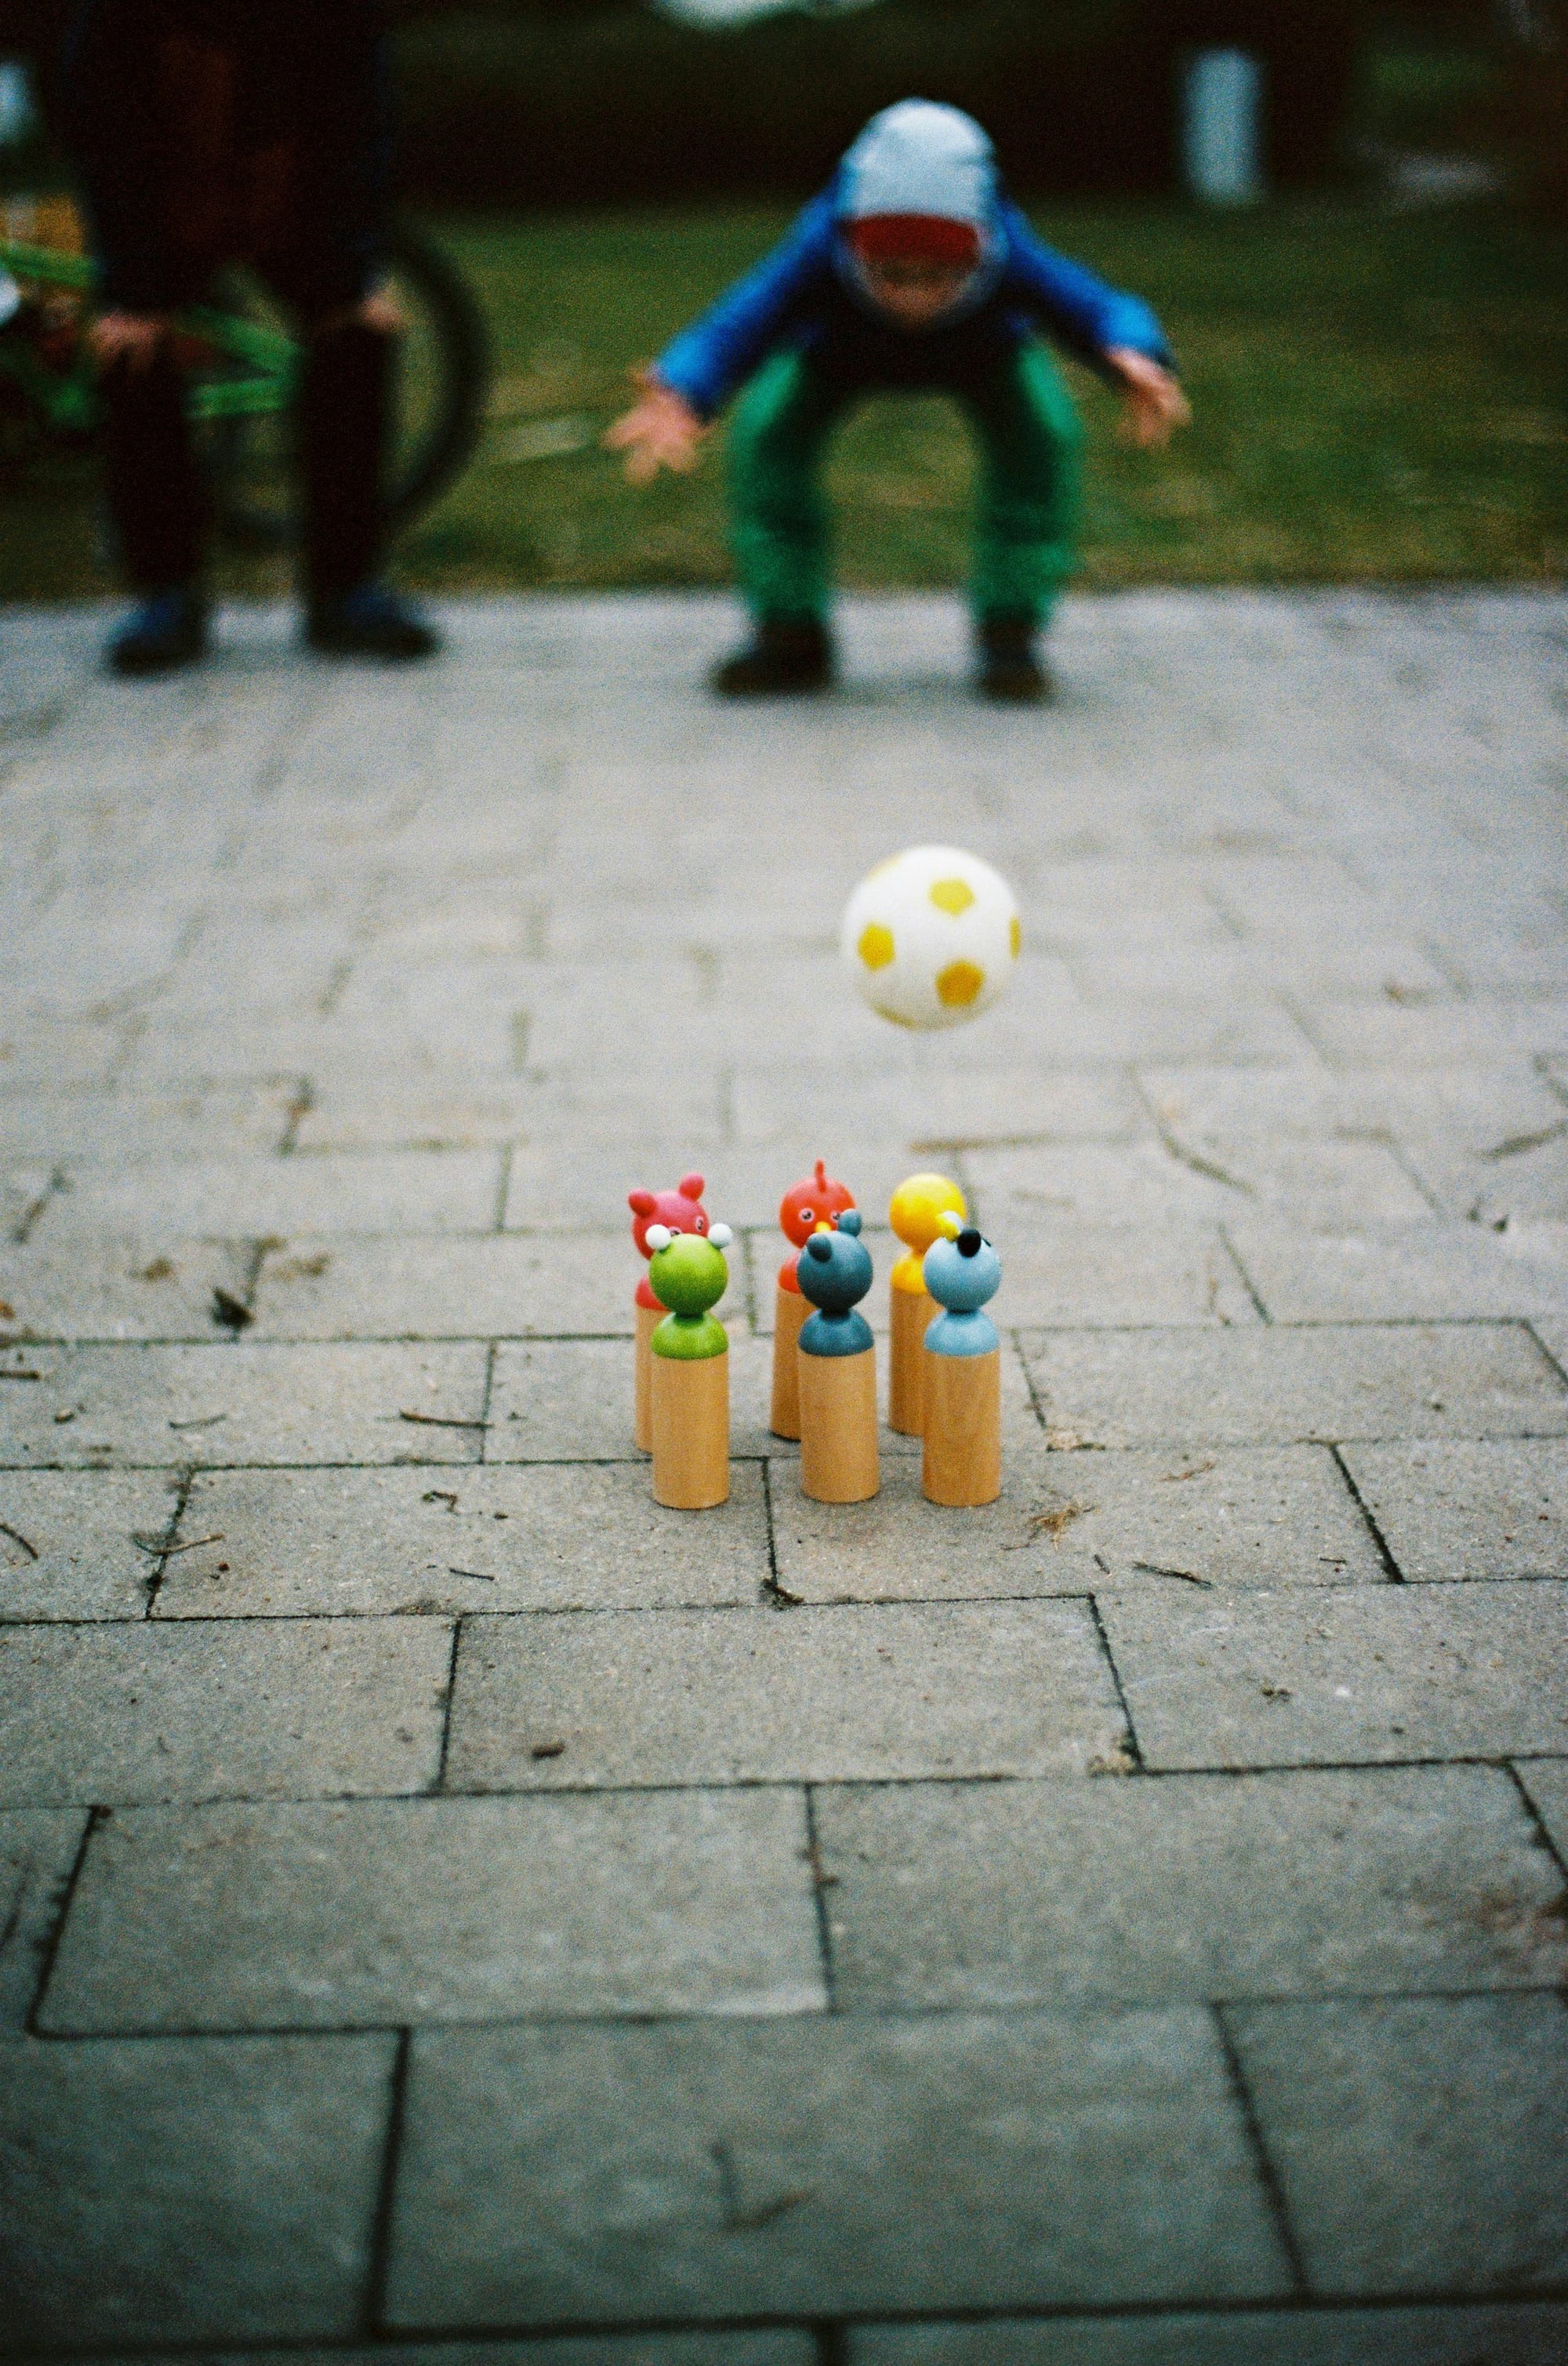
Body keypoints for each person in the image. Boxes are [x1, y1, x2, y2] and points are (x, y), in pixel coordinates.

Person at [608, 99, 1189, 702]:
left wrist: (1129, 349)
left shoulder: (1009, 252)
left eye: (937, 275)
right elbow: (741, 319)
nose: (913, 300)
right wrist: (685, 387)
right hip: (837, 351)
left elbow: (1095, 303)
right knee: (766, 438)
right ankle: (789, 630)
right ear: (854, 245)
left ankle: (1010, 631)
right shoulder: (820, 245)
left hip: (982, 352)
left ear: (978, 249)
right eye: (891, 273)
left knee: (1043, 436)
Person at [63, 0, 437, 675]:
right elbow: (106, 142)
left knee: (355, 334)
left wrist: (349, 274)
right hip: (167, 204)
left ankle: (344, 589)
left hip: (290, 201)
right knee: (132, 349)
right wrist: (137, 293)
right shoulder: (116, 19)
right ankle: (166, 593)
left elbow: (360, 135)